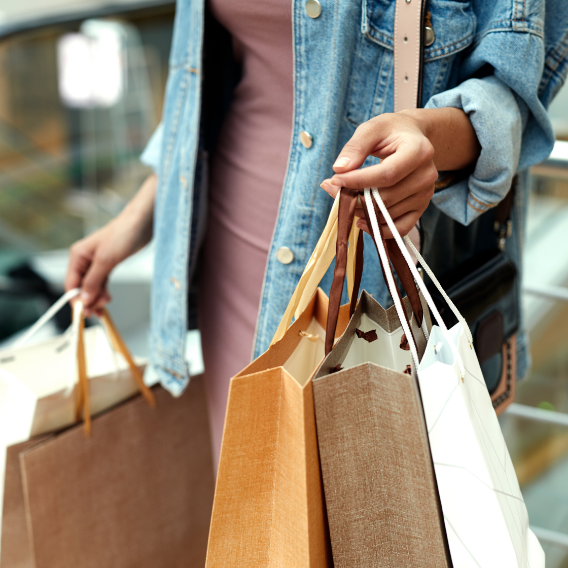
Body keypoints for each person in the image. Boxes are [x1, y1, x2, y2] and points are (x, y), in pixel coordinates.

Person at [65, 0, 568, 468]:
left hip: (375, 265)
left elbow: (511, 98)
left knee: (378, 536)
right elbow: (210, 76)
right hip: (232, 251)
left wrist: (431, 140)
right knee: (255, 522)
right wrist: (136, 220)